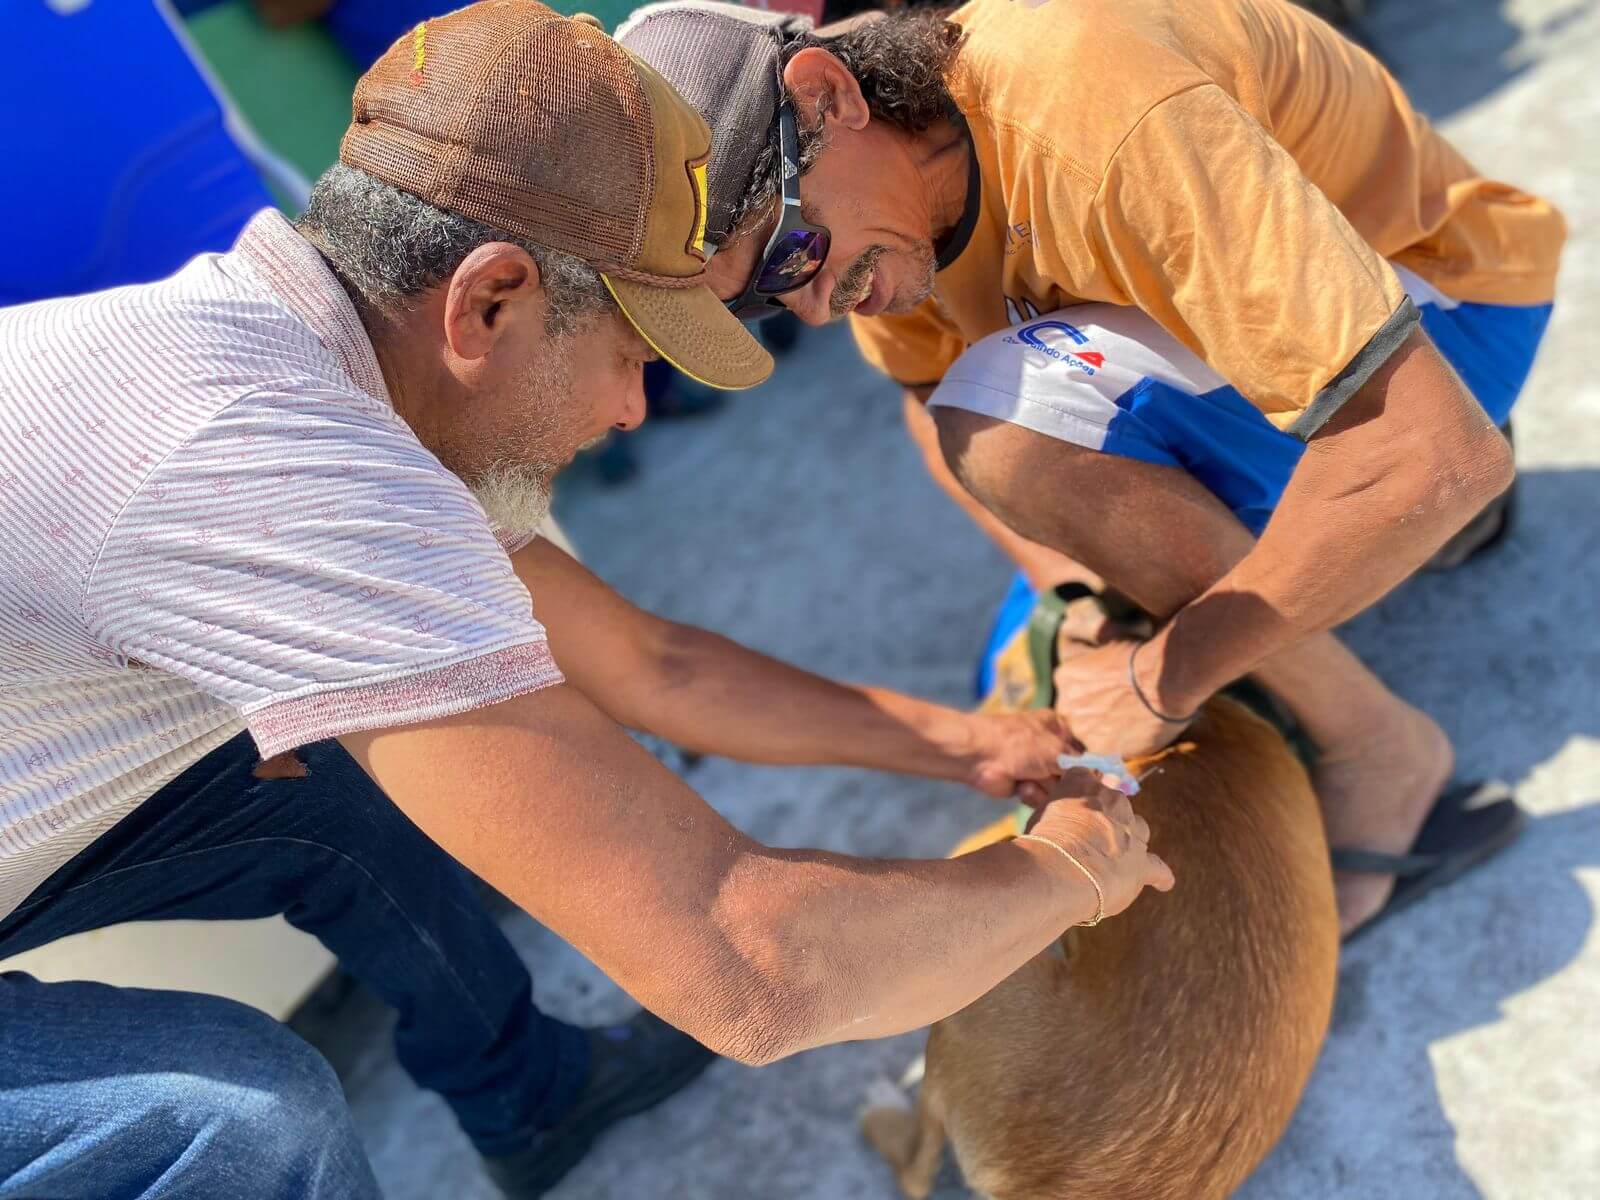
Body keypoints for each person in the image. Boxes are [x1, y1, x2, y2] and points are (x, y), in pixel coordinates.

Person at [0, 5, 1173, 1198]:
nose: (628, 412)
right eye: (630, 352)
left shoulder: (339, 362)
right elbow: (752, 970)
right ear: (491, 301)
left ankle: (532, 1101)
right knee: (232, 1123)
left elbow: (647, 665)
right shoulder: (267, 464)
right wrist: (1075, 867)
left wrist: (972, 744)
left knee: (359, 786)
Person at [618, 0, 1565, 938]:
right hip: (1273, 350)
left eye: (792, 251)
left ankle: (1384, 753)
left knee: (1016, 438)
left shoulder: (1094, 109)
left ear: (827, 96)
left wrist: (1160, 674)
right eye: (769, 300)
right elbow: (922, 397)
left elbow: (1437, 453)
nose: (818, 308)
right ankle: (1346, 535)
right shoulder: (891, 198)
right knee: (1028, 663)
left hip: (1442, 308)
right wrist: (1075, 596)